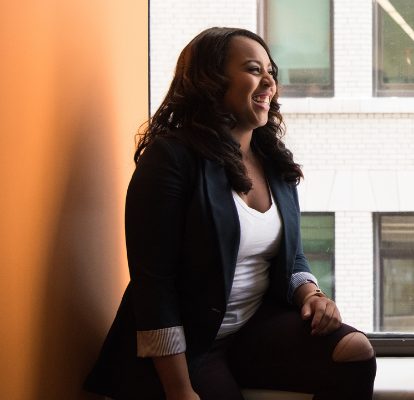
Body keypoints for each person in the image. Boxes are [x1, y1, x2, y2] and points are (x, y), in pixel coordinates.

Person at [84, 27, 376, 400]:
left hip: (251, 329)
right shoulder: (171, 159)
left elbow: (293, 254)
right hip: (187, 348)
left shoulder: (273, 161)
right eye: (255, 69)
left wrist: (311, 294)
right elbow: (153, 287)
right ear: (211, 80)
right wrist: (178, 390)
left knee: (355, 352)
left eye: (271, 70)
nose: (270, 80)